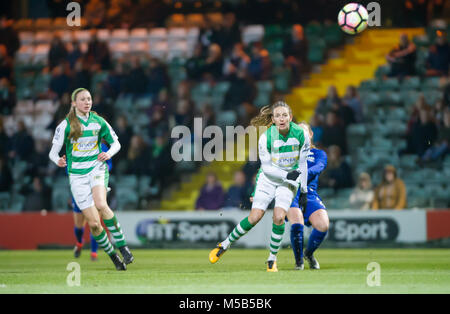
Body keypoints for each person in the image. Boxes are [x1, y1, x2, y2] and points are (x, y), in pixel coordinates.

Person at [209, 101, 310, 272]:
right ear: (273, 119)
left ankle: (272, 259)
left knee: (278, 217)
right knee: (254, 217)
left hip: (289, 182)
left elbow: (303, 164)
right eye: (277, 115)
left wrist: (304, 191)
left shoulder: (301, 134)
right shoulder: (266, 137)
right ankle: (224, 245)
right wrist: (287, 175)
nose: (282, 118)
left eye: (285, 115)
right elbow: (268, 169)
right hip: (268, 179)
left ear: (290, 117)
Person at [49, 87, 133, 271]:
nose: (87, 102)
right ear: (74, 103)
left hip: (96, 168)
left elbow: (116, 143)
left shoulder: (99, 121)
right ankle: (114, 257)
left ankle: (123, 247)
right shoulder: (65, 125)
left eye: (89, 99)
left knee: (101, 204)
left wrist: (108, 154)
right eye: (82, 99)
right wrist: (59, 160)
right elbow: (53, 152)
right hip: (77, 176)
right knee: (94, 224)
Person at [287, 123, 328, 270]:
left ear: (310, 134)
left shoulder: (318, 154)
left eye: (303, 131)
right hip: (290, 192)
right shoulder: (287, 153)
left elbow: (319, 167)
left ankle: (308, 254)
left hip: (309, 194)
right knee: (297, 223)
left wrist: (300, 174)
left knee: (323, 225)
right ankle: (299, 262)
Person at [72, 142, 112, 261]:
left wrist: (99, 170)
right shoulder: (74, 145)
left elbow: (109, 164)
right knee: (79, 225)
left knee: (95, 223)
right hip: (80, 189)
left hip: (96, 187)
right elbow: (69, 166)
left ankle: (94, 252)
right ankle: (79, 242)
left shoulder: (102, 147)